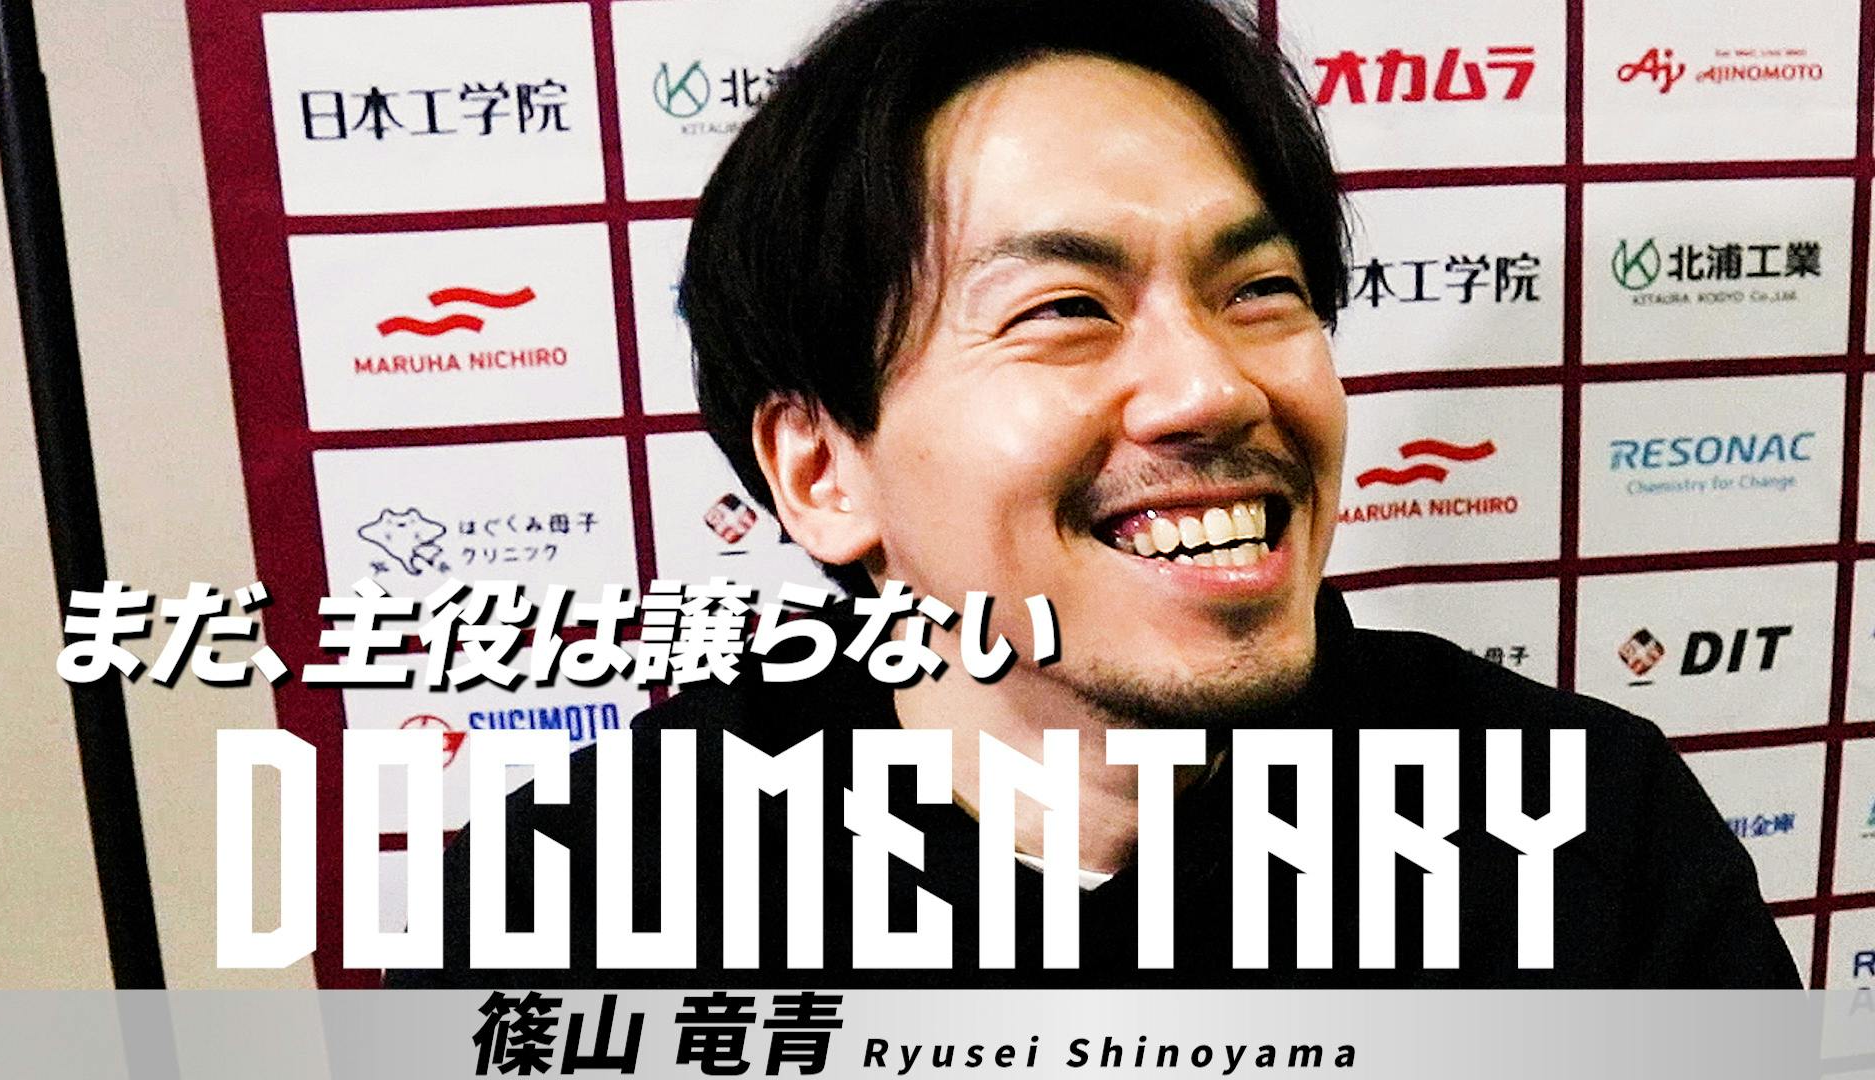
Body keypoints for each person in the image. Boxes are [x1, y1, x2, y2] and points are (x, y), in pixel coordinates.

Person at [391, 0, 1798, 987]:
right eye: (1066, 308)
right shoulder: (570, 910)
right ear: (822, 470)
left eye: (1260, 290)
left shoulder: (1585, 834)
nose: (1211, 389)